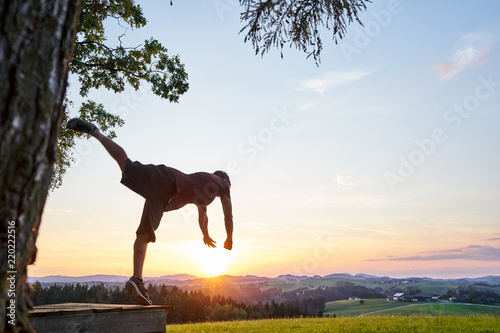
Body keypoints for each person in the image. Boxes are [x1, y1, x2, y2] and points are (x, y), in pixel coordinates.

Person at [66, 118, 233, 305]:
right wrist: (229, 238)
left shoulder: (204, 188)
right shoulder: (222, 184)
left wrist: (206, 236)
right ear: (225, 181)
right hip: (168, 180)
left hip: (161, 198)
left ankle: (137, 279)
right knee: (125, 164)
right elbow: (229, 215)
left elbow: (203, 215)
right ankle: (95, 132)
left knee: (145, 234)